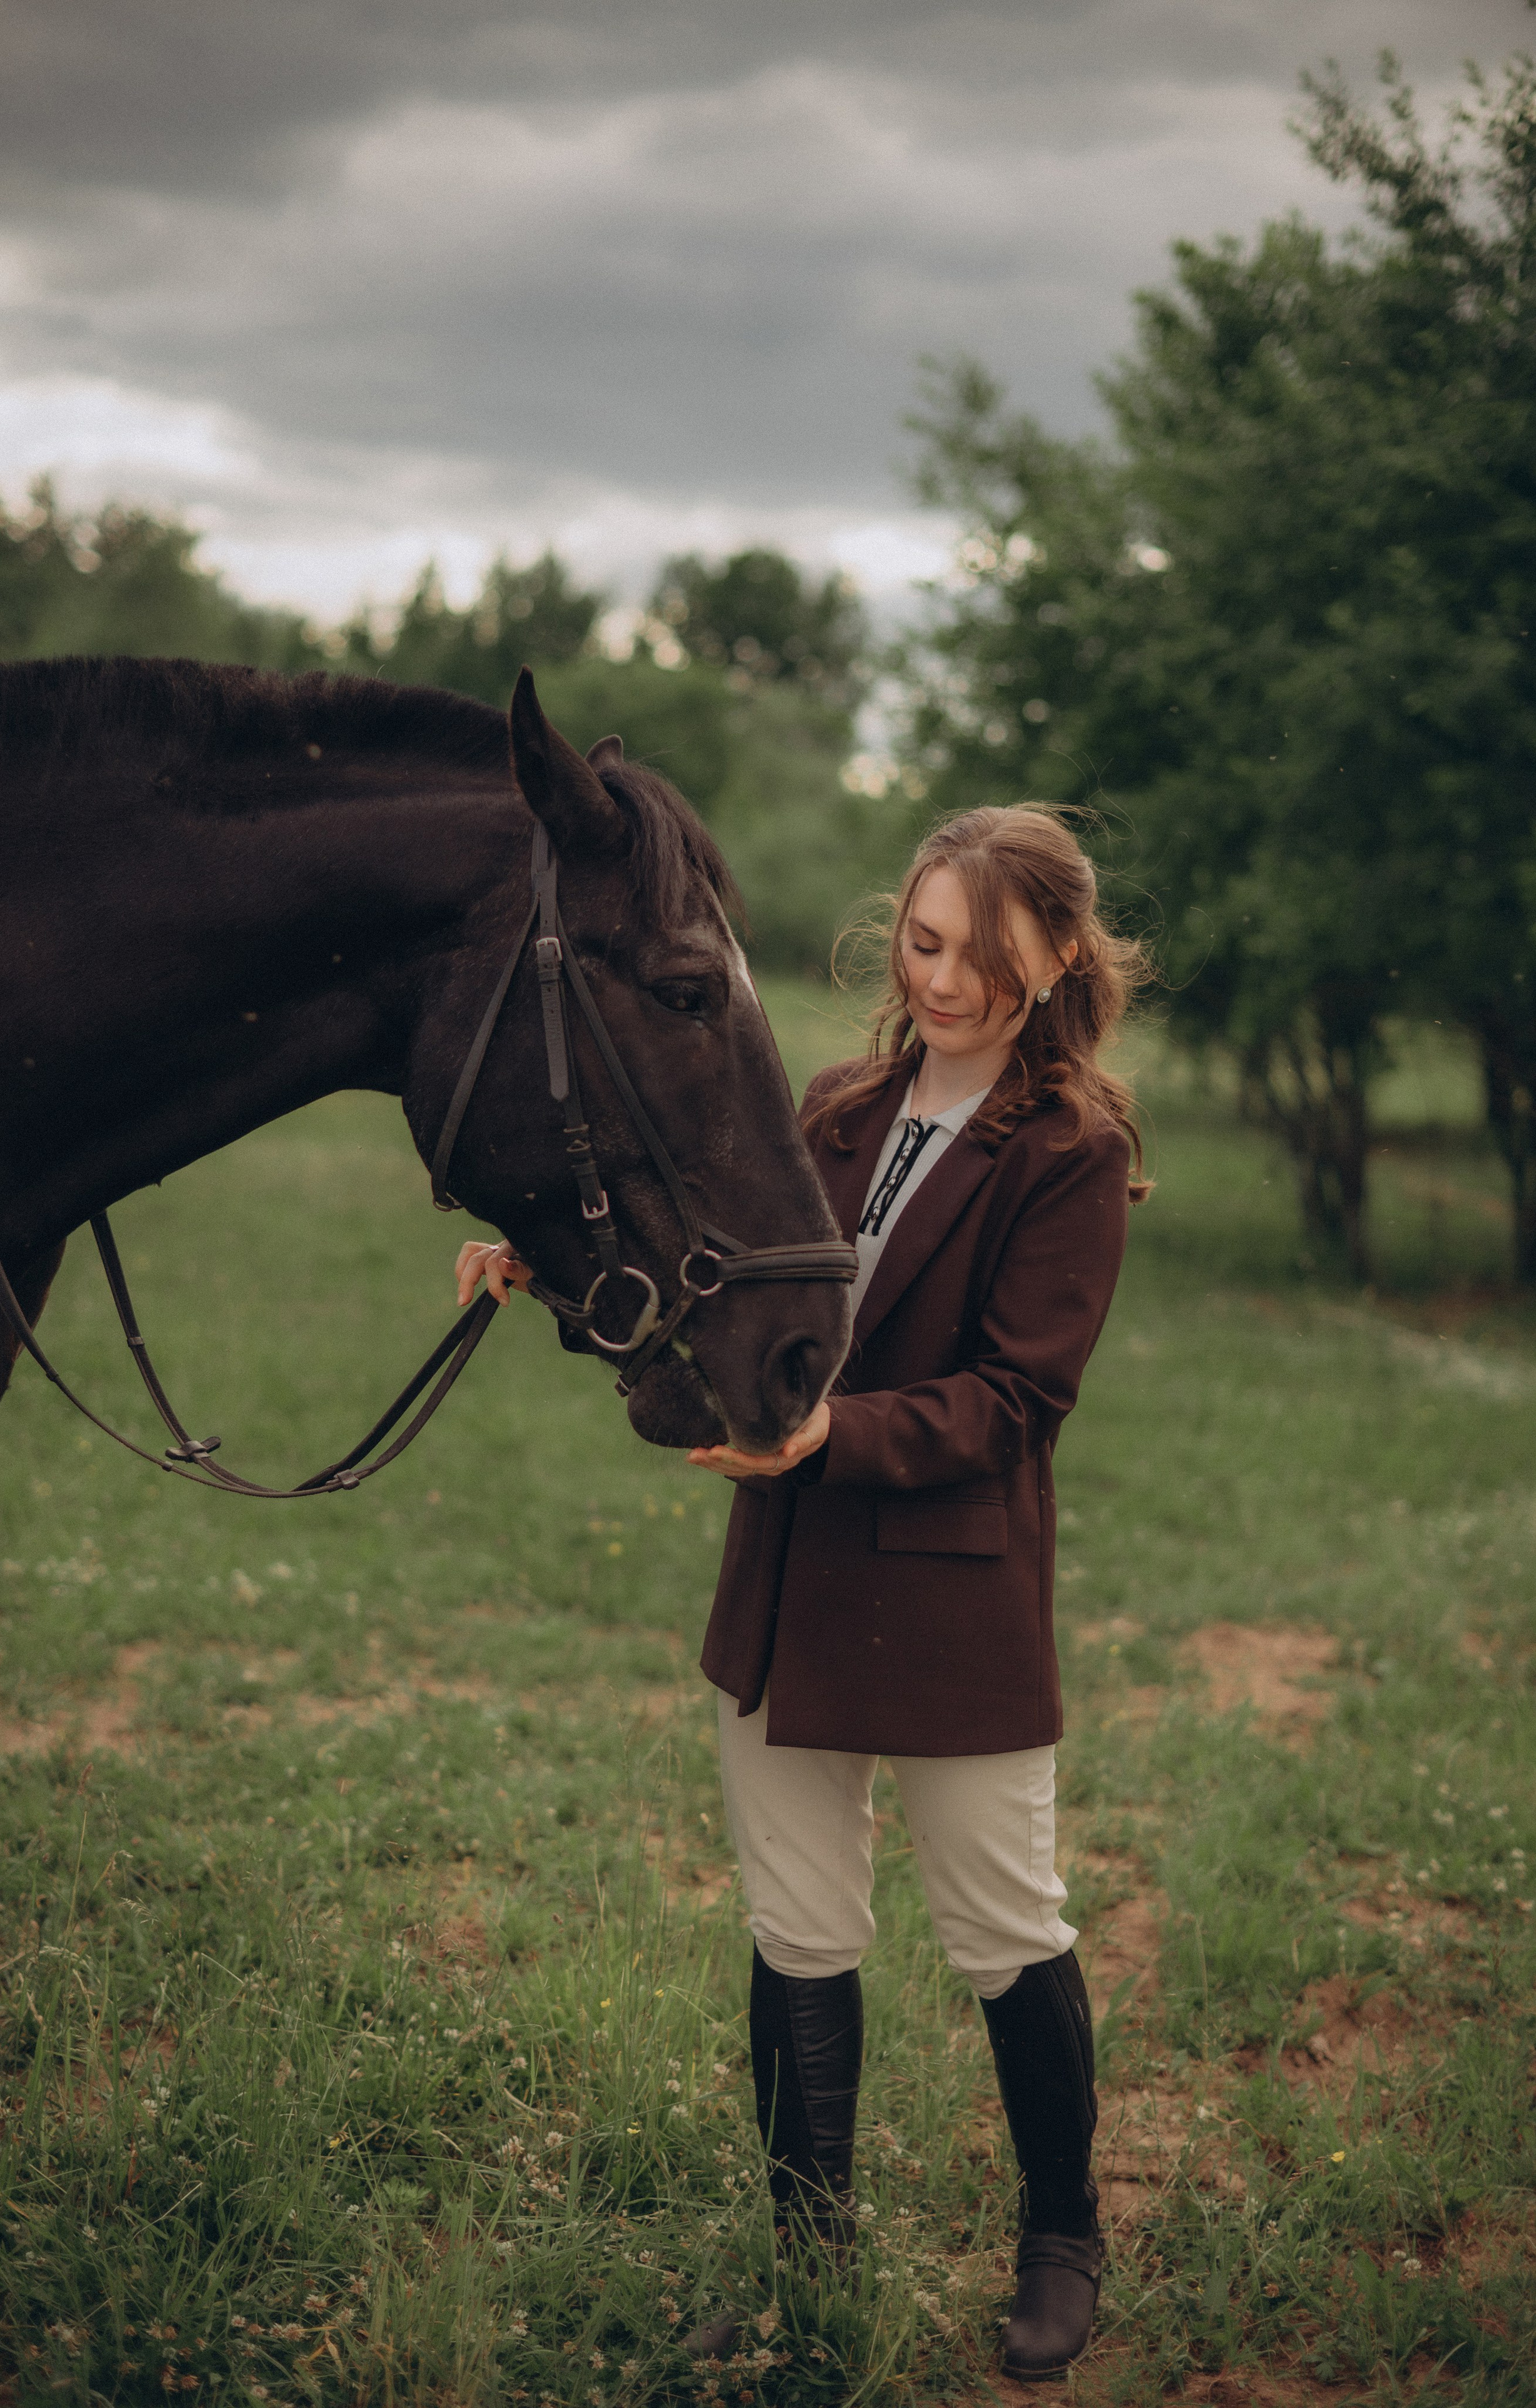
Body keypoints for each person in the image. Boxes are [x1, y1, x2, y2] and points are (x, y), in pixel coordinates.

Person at [456, 802, 1147, 2380]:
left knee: (1000, 1926)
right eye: (921, 942)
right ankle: (807, 2254)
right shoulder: (832, 1104)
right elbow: (723, 1292)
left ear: (1050, 957)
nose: (947, 978)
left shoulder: (1072, 1151)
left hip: (952, 1594)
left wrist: (837, 1433)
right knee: (798, 1930)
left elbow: (1015, 1402)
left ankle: (1060, 2235)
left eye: (982, 952)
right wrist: (547, 1272)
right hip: (784, 1586)